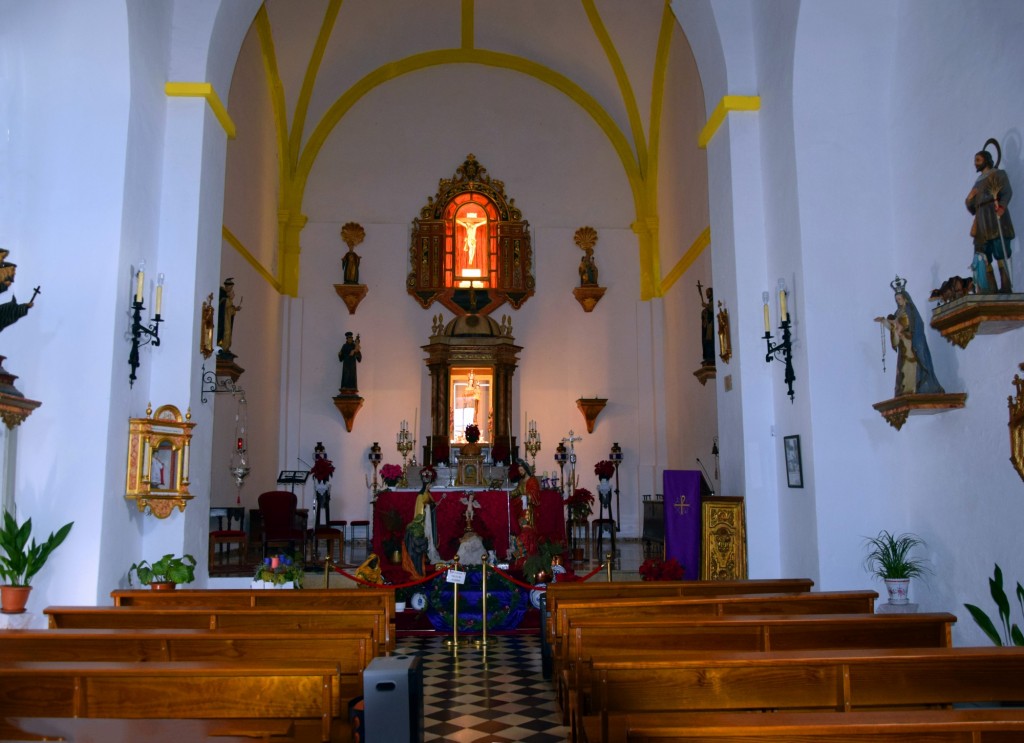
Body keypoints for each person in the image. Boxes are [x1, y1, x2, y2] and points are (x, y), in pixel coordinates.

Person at [875, 278, 945, 397]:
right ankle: (906, 390)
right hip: (903, 342)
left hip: (910, 340)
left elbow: (917, 324)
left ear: (905, 298)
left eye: (900, 299)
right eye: (896, 299)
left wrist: (907, 331)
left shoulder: (910, 309)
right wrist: (884, 321)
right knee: (904, 367)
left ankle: (915, 388)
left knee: (912, 364)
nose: (898, 301)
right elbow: (893, 327)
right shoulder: (897, 312)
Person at [966, 141, 1014, 293]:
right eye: (975, 161)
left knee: (1000, 250)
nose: (975, 164)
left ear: (986, 160)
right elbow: (971, 207)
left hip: (994, 216)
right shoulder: (977, 182)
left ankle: (1006, 285)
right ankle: (989, 289)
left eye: (978, 160)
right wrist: (969, 199)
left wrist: (1002, 207)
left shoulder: (998, 174)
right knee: (982, 254)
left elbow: (1006, 192)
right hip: (981, 219)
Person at [217, 278, 242, 355]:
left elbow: (229, 309)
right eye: (230, 288)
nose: (231, 290)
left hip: (227, 318)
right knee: (225, 332)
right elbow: (222, 307)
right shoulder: (222, 295)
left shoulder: (227, 297)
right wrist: (231, 305)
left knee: (228, 333)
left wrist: (235, 309)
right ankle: (221, 346)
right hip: (222, 319)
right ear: (227, 286)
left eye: (231, 288)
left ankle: (225, 348)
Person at [697, 281, 714, 365]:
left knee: (710, 341)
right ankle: (708, 356)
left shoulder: (713, 302)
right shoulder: (709, 304)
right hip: (708, 327)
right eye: (706, 293)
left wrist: (706, 306)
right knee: (706, 342)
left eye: (708, 292)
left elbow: (712, 308)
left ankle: (711, 356)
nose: (706, 294)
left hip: (711, 326)